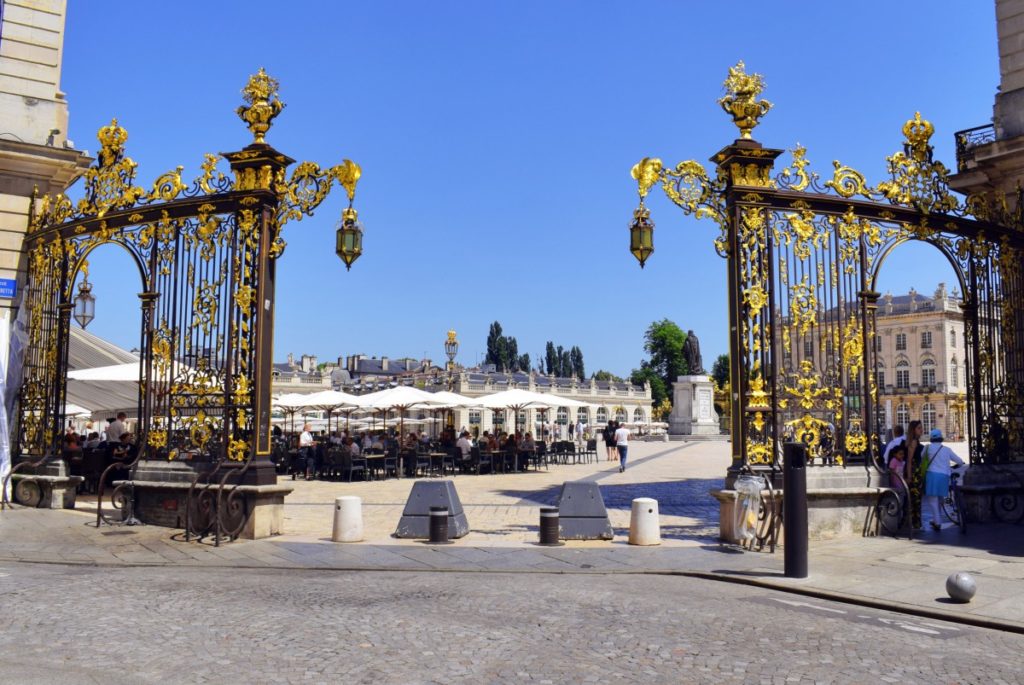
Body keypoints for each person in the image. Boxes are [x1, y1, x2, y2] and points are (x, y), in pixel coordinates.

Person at [922, 429, 966, 531]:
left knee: (932, 500)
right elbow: (959, 461)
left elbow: (921, 457)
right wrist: (957, 465)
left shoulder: (927, 448)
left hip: (932, 476)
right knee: (940, 499)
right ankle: (936, 519)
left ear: (931, 438)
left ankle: (937, 522)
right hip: (944, 477)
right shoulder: (947, 449)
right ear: (940, 438)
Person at [905, 420, 924, 529]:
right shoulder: (913, 442)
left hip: (917, 471)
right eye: (919, 428)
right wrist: (909, 476)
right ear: (913, 430)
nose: (921, 430)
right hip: (914, 473)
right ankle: (914, 523)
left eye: (921, 428)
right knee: (915, 499)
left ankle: (915, 523)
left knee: (916, 499)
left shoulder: (915, 441)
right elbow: (909, 460)